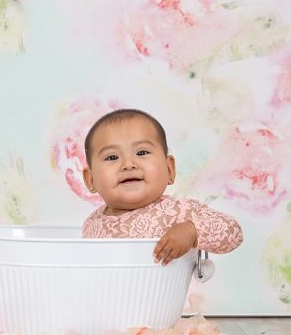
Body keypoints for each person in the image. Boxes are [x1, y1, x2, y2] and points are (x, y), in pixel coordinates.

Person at [81, 108, 243, 265]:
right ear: (91, 179)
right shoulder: (91, 224)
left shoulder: (177, 212)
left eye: (142, 153)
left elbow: (233, 232)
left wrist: (191, 231)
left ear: (169, 169)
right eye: (112, 157)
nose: (128, 164)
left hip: (162, 285)